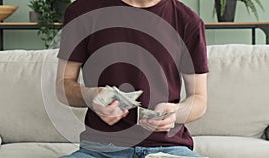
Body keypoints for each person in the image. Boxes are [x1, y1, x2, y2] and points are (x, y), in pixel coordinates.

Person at [56, 0, 208, 157]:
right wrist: (90, 96)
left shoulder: (188, 21)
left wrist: (175, 113)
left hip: (169, 147)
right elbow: (62, 86)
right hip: (99, 150)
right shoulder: (81, 12)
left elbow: (199, 100)